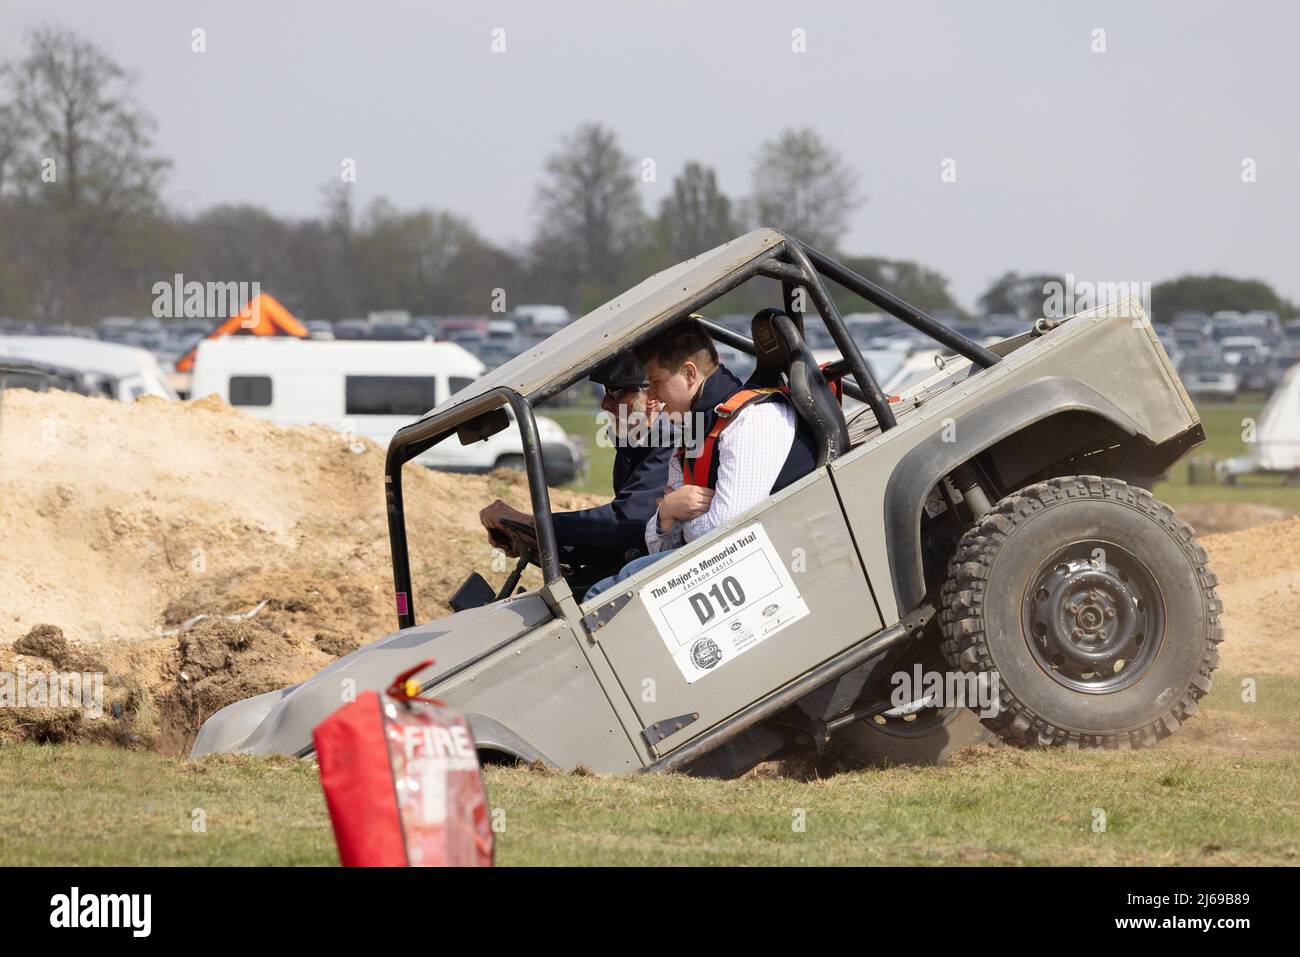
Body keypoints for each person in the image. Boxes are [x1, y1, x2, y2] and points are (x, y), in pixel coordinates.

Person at [583, 315, 818, 601]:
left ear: (690, 374)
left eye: (656, 383)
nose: (653, 396)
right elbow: (660, 544)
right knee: (600, 583)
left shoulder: (751, 420)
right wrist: (667, 513)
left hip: (768, 568)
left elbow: (725, 533)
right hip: (724, 569)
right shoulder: (695, 430)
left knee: (602, 595)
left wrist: (681, 522)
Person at [479, 353, 673, 597]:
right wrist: (538, 540)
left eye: (616, 392)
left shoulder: (672, 443)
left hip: (663, 582)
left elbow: (627, 524)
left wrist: (536, 524)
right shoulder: (633, 449)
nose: (605, 404)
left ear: (652, 397)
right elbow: (616, 542)